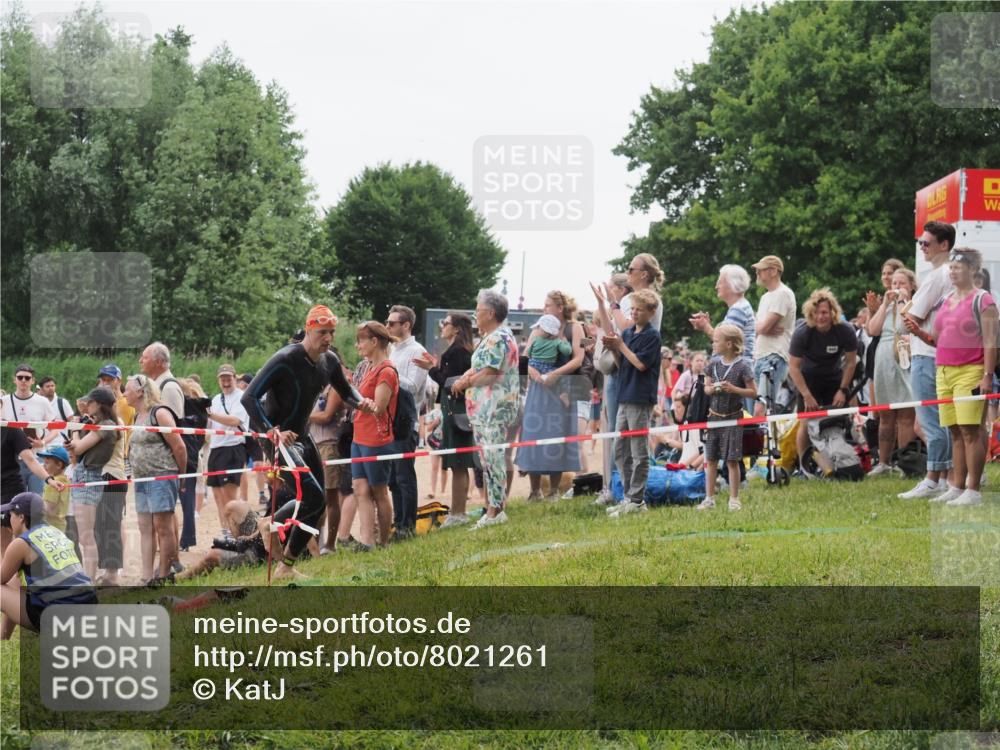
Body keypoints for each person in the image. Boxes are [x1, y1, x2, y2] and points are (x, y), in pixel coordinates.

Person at [242, 306, 367, 578]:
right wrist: (270, 430)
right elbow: (249, 398)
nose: (328, 338)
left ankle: (284, 561)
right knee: (312, 496)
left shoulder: (329, 361)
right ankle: (273, 531)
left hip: (302, 435)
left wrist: (363, 402)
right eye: (322, 332)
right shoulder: (286, 358)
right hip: (279, 439)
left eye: (332, 332)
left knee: (318, 501)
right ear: (309, 329)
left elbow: (346, 390)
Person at [916, 248, 997, 506]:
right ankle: (956, 485)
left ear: (973, 270)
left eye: (958, 267)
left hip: (971, 371)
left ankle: (973, 489)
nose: (952, 271)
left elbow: (991, 342)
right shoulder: (947, 299)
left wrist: (986, 375)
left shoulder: (984, 300)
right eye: (950, 267)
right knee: (954, 431)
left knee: (970, 430)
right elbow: (938, 338)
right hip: (944, 370)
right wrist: (918, 332)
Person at [452, 290, 521, 529]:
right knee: (488, 460)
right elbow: (480, 366)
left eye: (478, 310)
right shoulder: (495, 336)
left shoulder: (497, 338)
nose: (475, 314)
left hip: (494, 409)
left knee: (493, 460)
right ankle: (492, 508)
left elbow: (490, 373)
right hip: (485, 410)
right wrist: (466, 377)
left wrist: (465, 382)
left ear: (490, 313)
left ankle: (495, 511)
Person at [899, 222, 956, 499]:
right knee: (942, 421)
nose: (922, 247)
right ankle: (944, 477)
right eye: (920, 242)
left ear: (943, 245)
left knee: (931, 422)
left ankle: (934, 478)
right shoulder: (953, 275)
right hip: (941, 353)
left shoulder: (936, 276)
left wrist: (900, 303)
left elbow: (910, 318)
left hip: (926, 352)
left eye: (926, 243)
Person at [516, 291, 585, 500]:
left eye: (547, 305)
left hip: (562, 387)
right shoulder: (539, 327)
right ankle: (534, 490)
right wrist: (533, 372)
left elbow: (578, 358)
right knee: (533, 434)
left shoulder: (576, 328)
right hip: (538, 388)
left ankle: (554, 490)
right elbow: (525, 356)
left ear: (560, 308)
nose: (544, 309)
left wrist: (554, 374)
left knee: (558, 434)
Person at [0, 492, 97, 640]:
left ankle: (3, 639)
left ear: (21, 518)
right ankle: (3, 639)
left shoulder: (21, 543)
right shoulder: (55, 532)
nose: (8, 519)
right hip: (89, 608)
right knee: (17, 579)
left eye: (11, 514)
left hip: (60, 618)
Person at [601, 288, 663, 517]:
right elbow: (622, 363)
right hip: (625, 395)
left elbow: (640, 364)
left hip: (640, 397)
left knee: (639, 450)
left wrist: (620, 347)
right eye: (633, 309)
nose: (635, 313)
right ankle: (629, 496)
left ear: (651, 312)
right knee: (620, 449)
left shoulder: (652, 336)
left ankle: (637, 500)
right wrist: (613, 349)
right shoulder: (627, 335)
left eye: (639, 310)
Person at [416, 311, 478, 527]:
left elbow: (449, 383)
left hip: (456, 411)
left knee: (458, 464)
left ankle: (459, 513)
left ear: (457, 328)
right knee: (457, 464)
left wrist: (431, 369)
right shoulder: (458, 351)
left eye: (446, 323)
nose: (442, 326)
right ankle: (458, 511)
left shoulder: (458, 352)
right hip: (453, 410)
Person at [124, 375, 186, 585]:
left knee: (163, 527)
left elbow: (179, 446)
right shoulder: (136, 416)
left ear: (140, 391)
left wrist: (182, 476)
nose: (124, 393)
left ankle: (165, 574)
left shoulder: (159, 413)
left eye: (127, 389)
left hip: (162, 476)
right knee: (145, 528)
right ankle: (147, 575)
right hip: (142, 480)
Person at [787, 288, 859, 465]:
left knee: (841, 418)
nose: (821, 317)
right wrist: (807, 395)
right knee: (805, 421)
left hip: (834, 377)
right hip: (808, 379)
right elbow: (794, 368)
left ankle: (845, 458)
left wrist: (842, 390)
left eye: (825, 312)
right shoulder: (802, 333)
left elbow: (851, 362)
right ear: (810, 313)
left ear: (832, 312)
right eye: (816, 313)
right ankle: (804, 466)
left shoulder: (845, 330)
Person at [351, 321, 401, 549]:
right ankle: (367, 541)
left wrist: (359, 403)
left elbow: (379, 408)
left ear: (374, 341)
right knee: (360, 489)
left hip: (376, 440)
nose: (357, 344)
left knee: (379, 491)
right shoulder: (369, 367)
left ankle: (384, 541)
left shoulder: (387, 371)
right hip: (358, 437)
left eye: (361, 340)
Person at [696, 324, 757, 511]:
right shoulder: (713, 364)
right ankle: (709, 498)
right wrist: (713, 388)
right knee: (711, 458)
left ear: (729, 344)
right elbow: (705, 388)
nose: (713, 344)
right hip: (714, 418)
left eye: (716, 340)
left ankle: (734, 498)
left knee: (732, 460)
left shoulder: (743, 366)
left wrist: (734, 389)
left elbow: (753, 392)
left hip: (733, 418)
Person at [865, 268, 918, 474]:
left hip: (905, 358)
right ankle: (883, 462)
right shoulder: (885, 307)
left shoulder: (914, 304)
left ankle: (905, 462)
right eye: (894, 283)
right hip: (884, 358)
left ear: (911, 286)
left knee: (906, 415)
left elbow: (909, 325)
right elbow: (873, 330)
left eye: (901, 283)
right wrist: (885, 304)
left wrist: (904, 301)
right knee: (885, 415)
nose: (896, 287)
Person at [66, 387, 122, 581]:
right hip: (84, 475)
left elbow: (78, 447)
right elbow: (76, 454)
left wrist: (74, 431)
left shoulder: (106, 425)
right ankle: (88, 578)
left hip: (90, 477)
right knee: (85, 536)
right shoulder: (101, 424)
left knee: (87, 537)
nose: (86, 405)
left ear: (99, 404)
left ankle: (88, 580)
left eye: (90, 402)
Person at [386, 305, 428, 540]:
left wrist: (388, 372)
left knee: (404, 476)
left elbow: (413, 386)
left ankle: (408, 526)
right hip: (388, 419)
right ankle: (397, 523)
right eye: (388, 322)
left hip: (405, 420)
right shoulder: (392, 350)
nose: (388, 326)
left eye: (392, 323)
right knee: (392, 478)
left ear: (406, 326)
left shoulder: (418, 351)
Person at [308, 363, 350, 554]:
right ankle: (316, 541)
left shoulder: (334, 387)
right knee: (316, 497)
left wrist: (305, 415)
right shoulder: (316, 386)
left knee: (330, 497)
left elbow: (326, 416)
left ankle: (330, 544)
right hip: (314, 444)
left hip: (329, 445)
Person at [205, 364, 250, 531]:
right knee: (217, 497)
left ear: (235, 378)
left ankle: (236, 535)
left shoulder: (242, 397)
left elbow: (235, 421)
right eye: (222, 379)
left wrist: (210, 414)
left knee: (230, 499)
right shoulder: (216, 399)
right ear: (218, 380)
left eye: (228, 378)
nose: (225, 382)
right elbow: (210, 423)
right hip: (215, 448)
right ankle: (226, 533)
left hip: (232, 448)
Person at [751, 255, 797, 417]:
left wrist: (762, 328)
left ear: (773, 271)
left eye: (761, 270)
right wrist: (761, 328)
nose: (757, 273)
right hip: (762, 356)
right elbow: (758, 328)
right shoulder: (766, 297)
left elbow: (760, 327)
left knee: (762, 409)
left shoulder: (782, 294)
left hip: (774, 356)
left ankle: (767, 442)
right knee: (757, 408)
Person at [1, 364, 55, 494]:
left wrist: (43, 442)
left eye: (27, 377)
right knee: (15, 502)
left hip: (36, 456)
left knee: (36, 500)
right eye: (20, 377)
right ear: (15, 380)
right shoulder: (4, 401)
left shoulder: (42, 402)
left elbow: (55, 429)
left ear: (33, 380)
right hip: (12, 460)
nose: (23, 380)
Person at [689, 264, 757, 363]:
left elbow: (724, 341)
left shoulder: (738, 310)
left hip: (734, 373)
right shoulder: (740, 307)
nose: (716, 286)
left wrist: (705, 327)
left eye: (720, 282)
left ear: (732, 284)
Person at [37, 445, 71, 532]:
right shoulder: (66, 480)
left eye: (47, 462)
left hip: (49, 528)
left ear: (59, 465)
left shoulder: (52, 483)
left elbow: (48, 509)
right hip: (61, 526)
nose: (43, 465)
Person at [36, 376, 75, 447]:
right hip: (41, 446)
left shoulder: (63, 402)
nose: (50, 388)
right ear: (41, 389)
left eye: (52, 386)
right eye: (47, 386)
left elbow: (72, 423)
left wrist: (72, 440)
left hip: (60, 446)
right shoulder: (37, 404)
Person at [672, 351, 707, 424]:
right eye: (697, 360)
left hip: (695, 408)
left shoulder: (704, 376)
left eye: (701, 361)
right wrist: (676, 408)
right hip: (683, 408)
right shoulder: (686, 375)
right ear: (691, 362)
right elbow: (674, 391)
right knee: (681, 433)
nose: (700, 363)